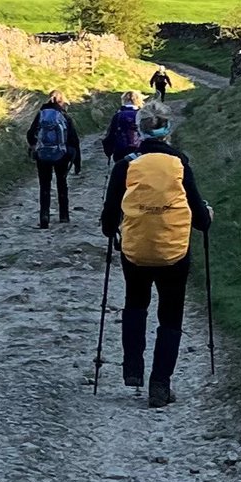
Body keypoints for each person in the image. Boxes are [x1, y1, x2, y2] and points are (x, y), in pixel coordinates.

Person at [100, 101, 211, 409]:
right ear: (167, 129)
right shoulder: (180, 163)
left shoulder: (126, 164)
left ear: (139, 129)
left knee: (135, 304)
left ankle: (133, 367)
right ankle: (160, 384)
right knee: (170, 315)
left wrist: (113, 230)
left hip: (136, 251)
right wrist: (207, 218)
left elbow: (109, 220)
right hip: (174, 252)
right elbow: (200, 218)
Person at [26, 90, 81, 229]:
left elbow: (30, 134)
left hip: (42, 155)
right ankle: (64, 216)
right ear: (63, 101)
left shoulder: (40, 115)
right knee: (62, 183)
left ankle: (44, 216)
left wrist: (34, 147)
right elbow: (74, 140)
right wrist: (77, 163)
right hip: (61, 155)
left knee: (44, 185)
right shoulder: (64, 116)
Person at [102, 90, 144, 166]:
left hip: (120, 151)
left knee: (121, 172)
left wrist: (108, 152)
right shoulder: (142, 115)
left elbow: (110, 135)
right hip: (139, 150)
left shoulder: (117, 115)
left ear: (124, 100)